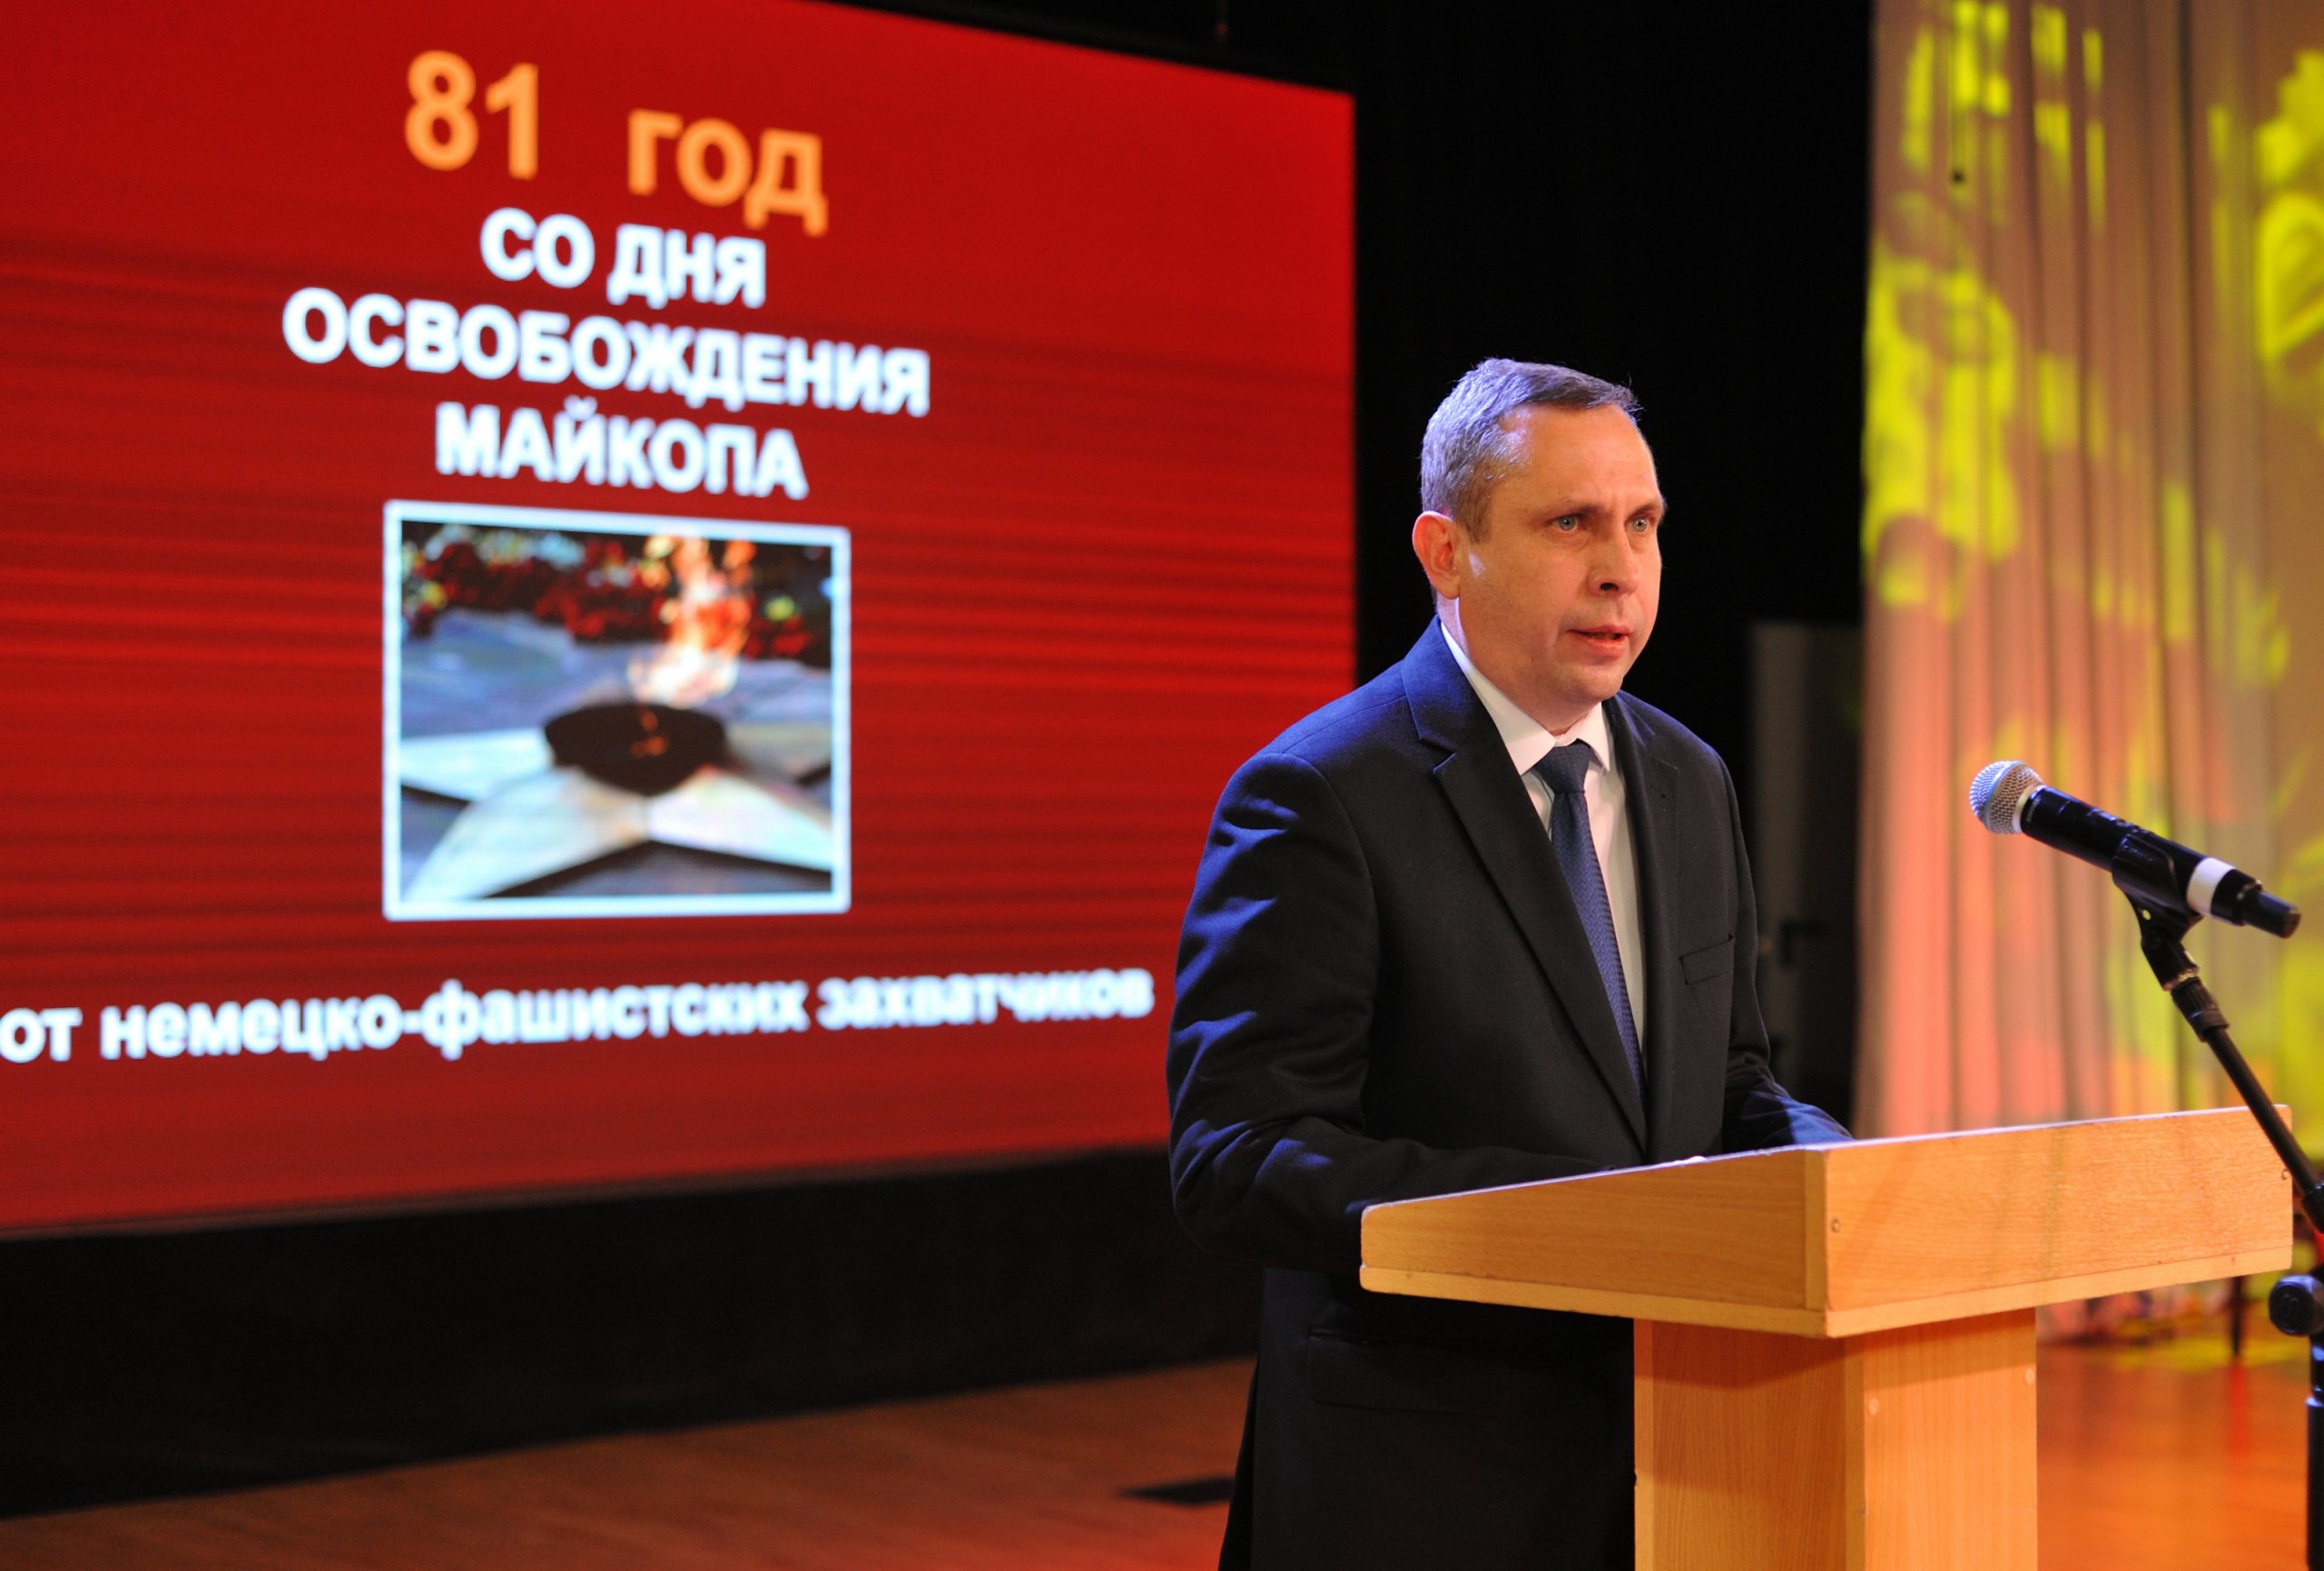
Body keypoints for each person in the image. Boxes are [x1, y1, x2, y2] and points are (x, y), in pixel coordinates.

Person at [1166, 359, 1850, 1570]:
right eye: (1571, 523)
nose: (1621, 568)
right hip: (1426, 1478)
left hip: (1691, 1450)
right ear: (1447, 551)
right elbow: (1239, 1154)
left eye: (1643, 523)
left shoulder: (1689, 779)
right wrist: (1583, 1221)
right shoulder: (1320, 793)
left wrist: (1836, 1174)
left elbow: (1730, 1080)